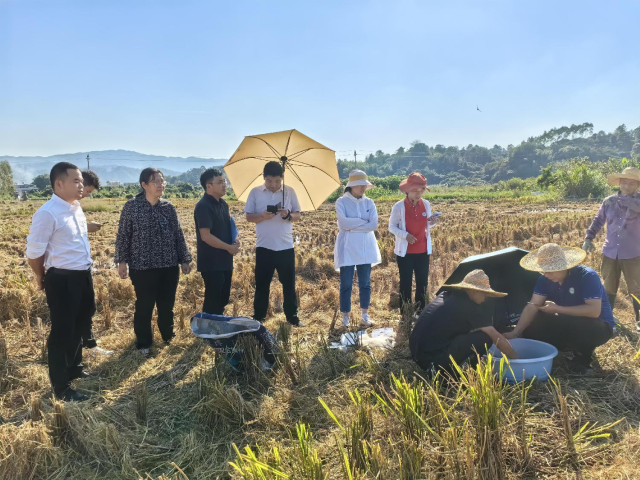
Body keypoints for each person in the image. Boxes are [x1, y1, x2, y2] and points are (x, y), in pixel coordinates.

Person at [26, 162, 95, 402]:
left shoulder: (75, 207)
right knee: (62, 332)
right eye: (76, 181)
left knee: (81, 322)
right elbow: (34, 253)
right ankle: (61, 387)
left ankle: (75, 368)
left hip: (82, 274)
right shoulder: (47, 212)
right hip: (62, 279)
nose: (81, 185)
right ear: (59, 184)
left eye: (81, 181)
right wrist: (40, 277)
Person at [114, 168, 192, 357]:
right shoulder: (132, 207)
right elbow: (123, 236)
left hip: (168, 265)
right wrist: (121, 261)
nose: (161, 184)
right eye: (156, 181)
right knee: (145, 305)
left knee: (167, 305)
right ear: (144, 185)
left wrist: (184, 259)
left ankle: (168, 336)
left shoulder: (168, 207)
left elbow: (178, 235)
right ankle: (143, 343)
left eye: (162, 181)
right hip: (142, 267)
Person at [505, 243, 614, 374]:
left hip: (597, 326)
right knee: (535, 320)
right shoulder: (545, 279)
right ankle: (561, 349)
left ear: (564, 266)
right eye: (543, 270)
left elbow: (594, 311)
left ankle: (582, 359)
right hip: (567, 321)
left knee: (581, 325)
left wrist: (558, 309)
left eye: (549, 270)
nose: (546, 274)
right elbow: (532, 306)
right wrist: (516, 332)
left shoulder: (587, 276)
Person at [410, 269, 517, 376]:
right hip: (432, 360)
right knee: (485, 338)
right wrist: (517, 360)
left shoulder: (447, 295)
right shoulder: (469, 307)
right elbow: (495, 336)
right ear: (477, 291)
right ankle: (460, 373)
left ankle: (451, 368)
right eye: (485, 294)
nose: (484, 300)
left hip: (417, 354)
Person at [244, 161, 303, 327]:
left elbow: (298, 214)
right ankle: (259, 317)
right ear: (264, 178)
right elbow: (248, 217)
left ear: (282, 178)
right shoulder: (255, 193)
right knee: (262, 284)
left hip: (285, 246)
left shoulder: (289, 191)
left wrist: (288, 215)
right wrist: (263, 216)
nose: (273, 185)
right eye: (269, 181)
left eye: (277, 181)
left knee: (289, 284)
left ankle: (292, 317)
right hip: (264, 246)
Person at [582, 166, 640, 331]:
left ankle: (639, 322)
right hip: (610, 252)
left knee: (637, 288)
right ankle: (607, 319)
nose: (627, 186)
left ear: (637, 185)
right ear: (619, 183)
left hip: (633, 254)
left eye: (632, 183)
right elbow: (598, 220)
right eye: (624, 182)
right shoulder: (609, 201)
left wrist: (626, 200)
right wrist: (588, 238)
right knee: (608, 287)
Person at [334, 170, 381, 327]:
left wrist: (353, 224)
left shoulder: (369, 202)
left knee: (365, 283)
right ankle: (345, 316)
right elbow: (343, 224)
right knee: (346, 283)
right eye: (360, 185)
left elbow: (373, 225)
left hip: (366, 247)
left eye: (364, 185)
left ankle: (365, 315)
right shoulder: (341, 202)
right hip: (347, 248)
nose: (363, 188)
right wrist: (363, 222)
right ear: (351, 186)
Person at [388, 172, 438, 312]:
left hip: (422, 250)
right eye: (415, 190)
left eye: (421, 190)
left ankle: (420, 310)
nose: (418, 193)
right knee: (406, 282)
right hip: (406, 252)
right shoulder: (398, 207)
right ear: (407, 190)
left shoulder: (426, 205)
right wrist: (405, 235)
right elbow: (391, 226)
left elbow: (427, 224)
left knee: (422, 282)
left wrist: (432, 222)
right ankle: (405, 311)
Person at [76, 169, 113, 355]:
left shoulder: (75, 208)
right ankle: (80, 348)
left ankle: (88, 345)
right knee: (75, 313)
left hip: (83, 267)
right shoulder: (54, 211)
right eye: (87, 191)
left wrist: (86, 227)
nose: (86, 195)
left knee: (88, 307)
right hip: (68, 271)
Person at [194, 168, 240, 315]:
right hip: (211, 262)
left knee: (223, 297)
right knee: (213, 298)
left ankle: (218, 327)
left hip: (225, 259)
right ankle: (208, 332)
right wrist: (228, 247)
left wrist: (234, 242)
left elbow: (226, 228)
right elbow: (206, 236)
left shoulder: (223, 205)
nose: (224, 184)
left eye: (224, 181)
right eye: (220, 182)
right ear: (209, 186)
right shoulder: (203, 206)